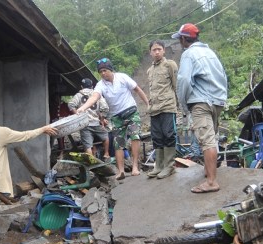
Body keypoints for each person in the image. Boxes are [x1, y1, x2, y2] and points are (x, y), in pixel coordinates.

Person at [173, 23, 228, 193]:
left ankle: (212, 182)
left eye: (180, 39)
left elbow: (183, 81)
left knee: (207, 140)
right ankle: (208, 171)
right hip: (217, 101)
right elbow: (223, 76)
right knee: (211, 138)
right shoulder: (210, 52)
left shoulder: (189, 54)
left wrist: (183, 104)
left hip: (201, 102)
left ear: (183, 39)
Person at [75, 58, 150, 180]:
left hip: (131, 111)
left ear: (110, 69)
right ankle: (120, 171)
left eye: (105, 70)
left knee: (135, 136)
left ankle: (135, 167)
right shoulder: (100, 85)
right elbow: (94, 97)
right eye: (101, 72)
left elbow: (137, 89)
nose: (103, 73)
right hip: (116, 116)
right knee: (118, 143)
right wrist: (83, 107)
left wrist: (147, 103)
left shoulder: (122, 77)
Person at [146, 40, 182, 179]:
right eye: (154, 50)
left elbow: (176, 85)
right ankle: (159, 166)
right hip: (154, 109)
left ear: (164, 50)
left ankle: (169, 166)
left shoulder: (170, 65)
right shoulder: (150, 70)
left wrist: (178, 105)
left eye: (159, 49)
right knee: (157, 137)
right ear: (150, 52)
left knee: (168, 134)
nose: (156, 52)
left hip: (167, 106)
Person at [68, 78, 111, 161]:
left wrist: (77, 115)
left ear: (81, 86)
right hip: (96, 122)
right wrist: (102, 119)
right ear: (92, 86)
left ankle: (92, 162)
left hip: (84, 123)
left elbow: (71, 104)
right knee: (105, 137)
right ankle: (106, 154)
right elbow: (105, 107)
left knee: (87, 145)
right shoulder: (97, 94)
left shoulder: (78, 95)